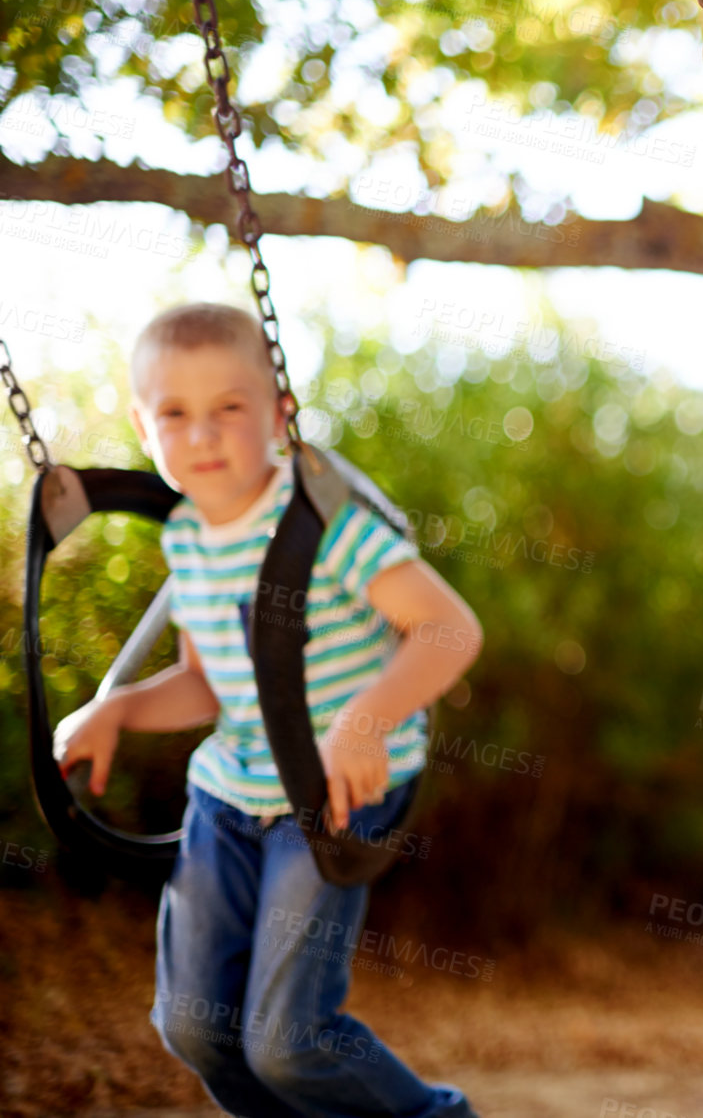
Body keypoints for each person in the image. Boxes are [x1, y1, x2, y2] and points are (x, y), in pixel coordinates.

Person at [54, 302, 482, 1118]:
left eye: (229, 407)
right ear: (143, 428)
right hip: (229, 793)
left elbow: (449, 628)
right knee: (193, 1026)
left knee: (288, 1039)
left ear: (280, 414)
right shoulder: (186, 538)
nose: (202, 434)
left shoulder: (323, 521)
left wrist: (366, 718)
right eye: (174, 414)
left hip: (331, 792)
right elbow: (207, 681)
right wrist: (119, 709)